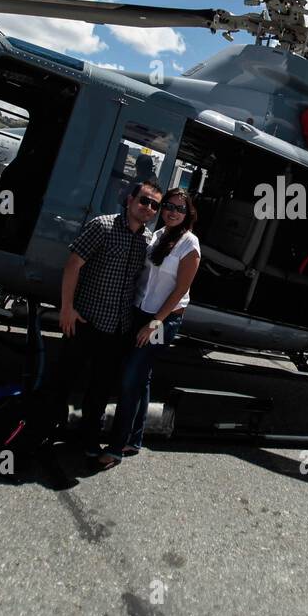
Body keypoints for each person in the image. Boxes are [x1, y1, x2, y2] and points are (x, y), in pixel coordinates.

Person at [56, 178, 161, 454]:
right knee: (62, 381)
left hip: (117, 329)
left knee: (100, 390)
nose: (148, 208)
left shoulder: (148, 242)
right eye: (144, 200)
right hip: (85, 321)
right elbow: (73, 265)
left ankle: (88, 441)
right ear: (130, 200)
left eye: (154, 205)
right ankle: (40, 430)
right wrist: (67, 308)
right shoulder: (102, 226)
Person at [99, 188, 200, 466]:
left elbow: (181, 289)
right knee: (140, 377)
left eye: (179, 208)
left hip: (163, 320)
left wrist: (155, 323)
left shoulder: (189, 245)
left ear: (188, 213)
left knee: (130, 379)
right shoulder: (156, 236)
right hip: (140, 312)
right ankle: (134, 438)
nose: (172, 211)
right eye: (168, 205)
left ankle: (116, 447)